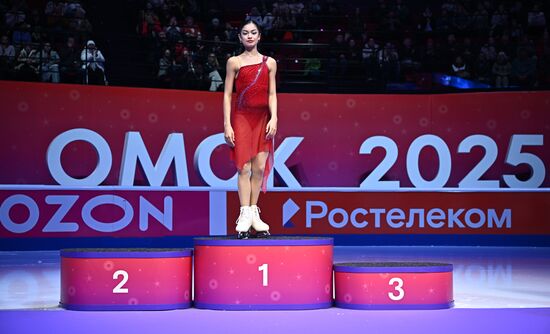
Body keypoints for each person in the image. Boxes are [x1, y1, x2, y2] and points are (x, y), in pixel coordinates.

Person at [223, 20, 277, 239]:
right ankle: (244, 214)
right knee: (243, 167)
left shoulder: (270, 62)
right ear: (240, 37)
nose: (249, 36)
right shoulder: (233, 62)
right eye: (245, 33)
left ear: (259, 36)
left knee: (259, 167)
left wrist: (274, 118)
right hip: (242, 117)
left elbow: (272, 93)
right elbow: (227, 95)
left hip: (263, 118)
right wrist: (227, 124)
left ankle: (254, 213)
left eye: (253, 32)